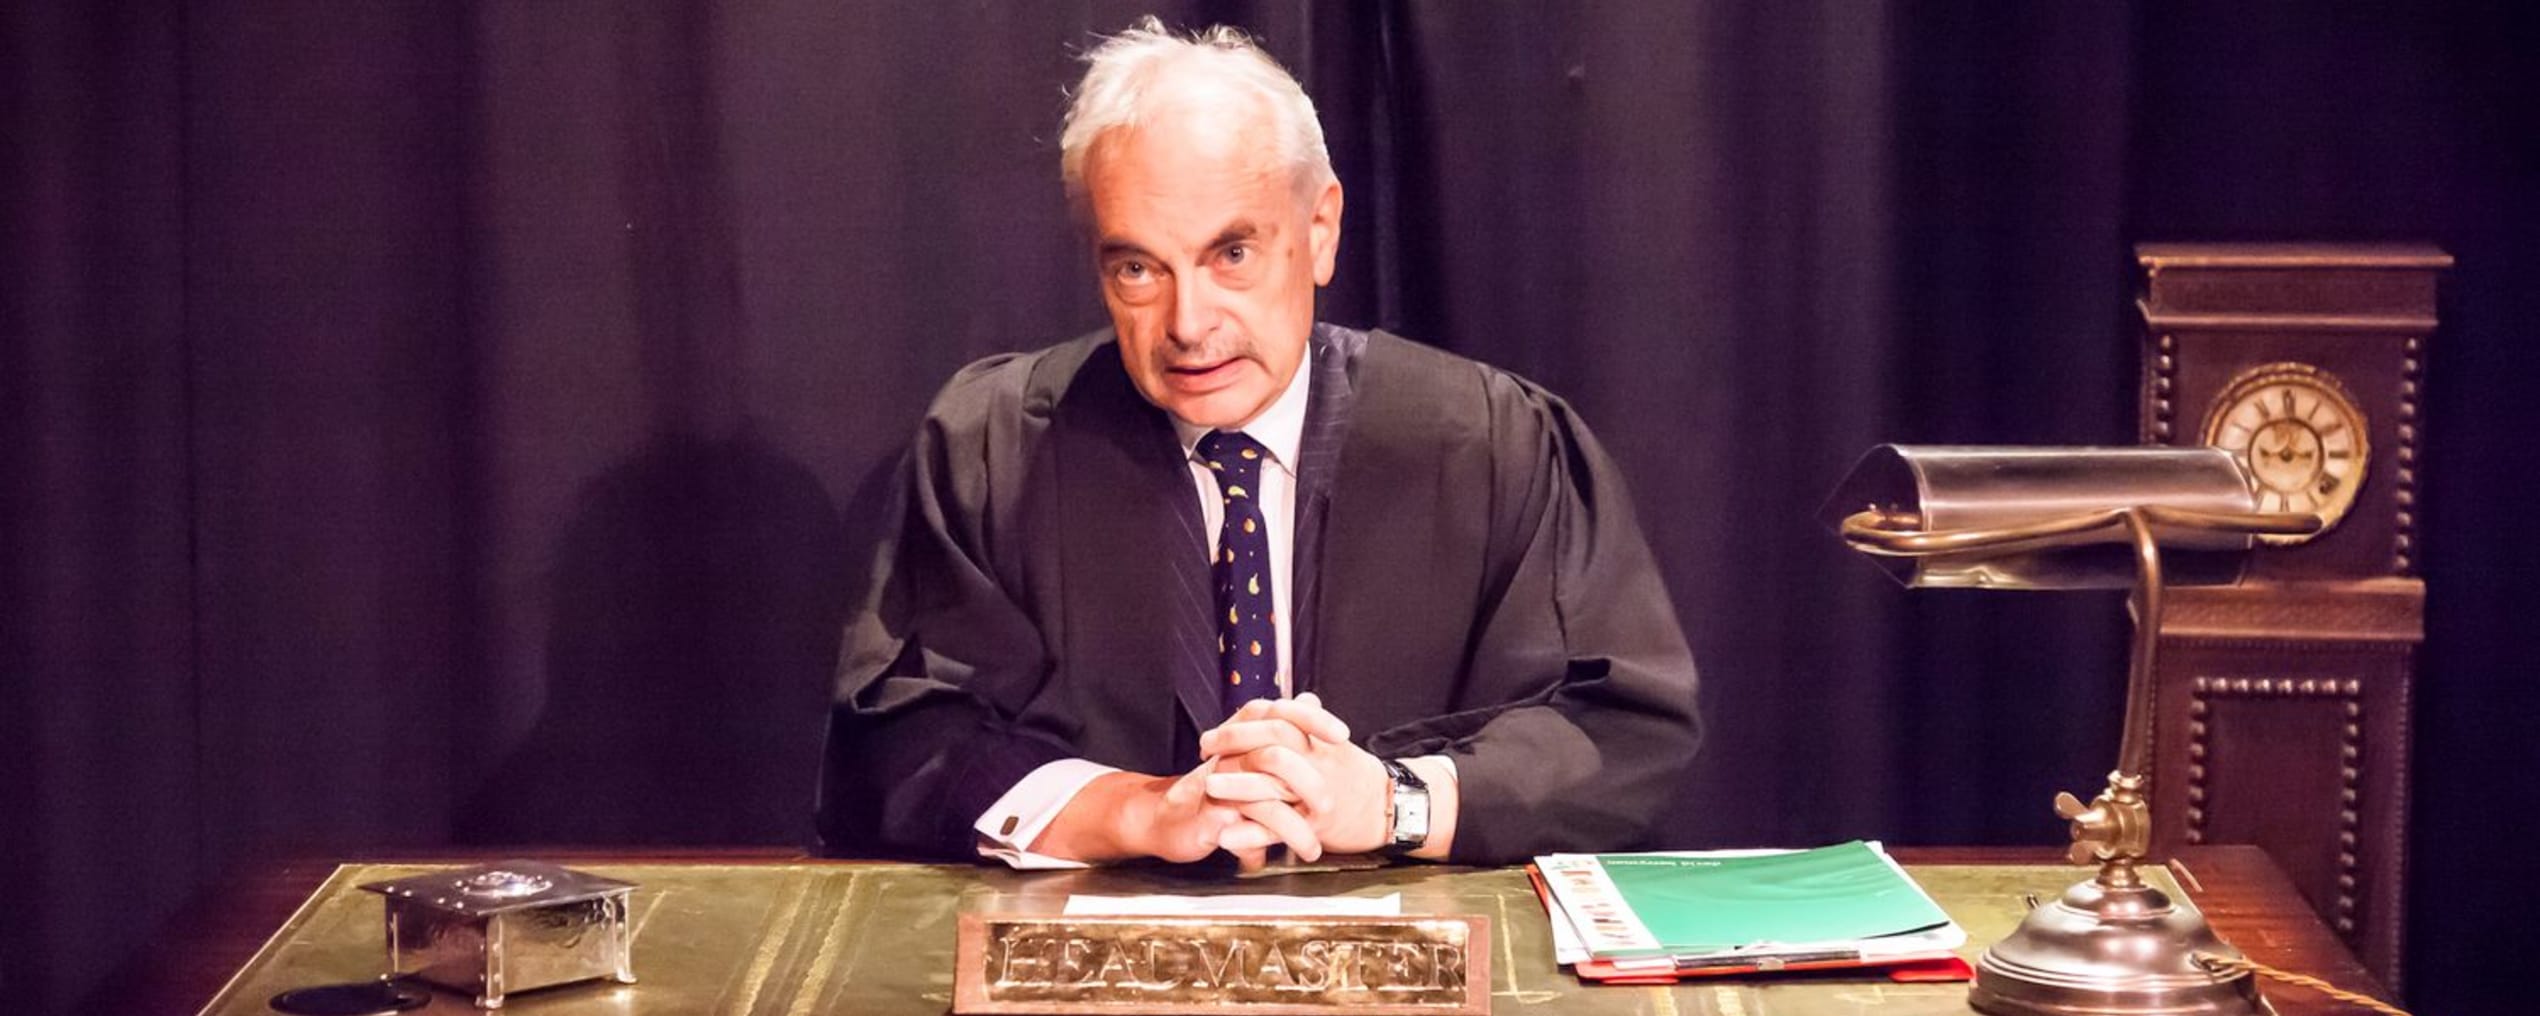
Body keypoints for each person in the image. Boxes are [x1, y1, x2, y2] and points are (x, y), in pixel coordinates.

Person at [816, 18, 1699, 869]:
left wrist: (1391, 802)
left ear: (1320, 231)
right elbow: (899, 741)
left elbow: (1617, 732)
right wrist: (1135, 811)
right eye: (1138, 269)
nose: (1188, 324)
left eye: (1230, 254)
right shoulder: (994, 452)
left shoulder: (1494, 446)